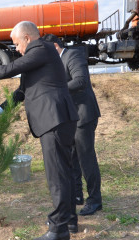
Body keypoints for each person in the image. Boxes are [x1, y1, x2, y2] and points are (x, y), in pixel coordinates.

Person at [0, 21, 79, 240]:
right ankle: (69, 221)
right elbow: (22, 92)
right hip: (57, 119)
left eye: (17, 44)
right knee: (62, 173)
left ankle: (59, 229)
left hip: (54, 119)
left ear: (27, 38)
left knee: (57, 176)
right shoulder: (40, 58)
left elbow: (10, 69)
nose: (16, 49)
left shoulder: (42, 48)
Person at [43, 34, 102, 216]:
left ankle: (95, 200)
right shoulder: (55, 61)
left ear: (55, 46)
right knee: (71, 156)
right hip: (70, 116)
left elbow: (80, 81)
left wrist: (55, 90)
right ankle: (77, 195)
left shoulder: (73, 55)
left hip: (84, 114)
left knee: (86, 158)